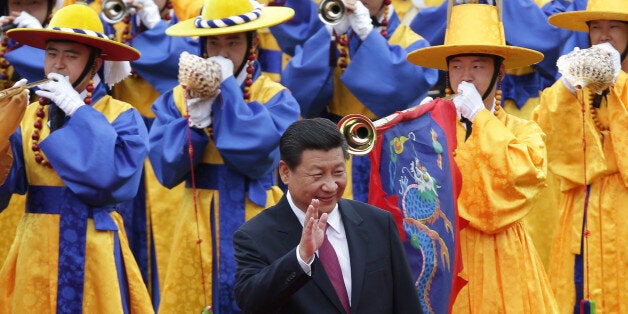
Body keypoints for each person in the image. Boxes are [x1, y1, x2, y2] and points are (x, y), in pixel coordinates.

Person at [147, 0, 300, 312]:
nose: (222, 52)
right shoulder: (178, 96)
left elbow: (259, 156)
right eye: (213, 42)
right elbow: (165, 169)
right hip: (195, 218)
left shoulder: (275, 95)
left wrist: (227, 89)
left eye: (233, 42)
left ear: (252, 44)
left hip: (256, 212)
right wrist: (192, 124)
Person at [0, 3, 153, 313]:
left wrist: (79, 112)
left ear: (94, 66)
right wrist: (2, 133)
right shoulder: (29, 116)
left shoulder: (123, 116)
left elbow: (112, 183)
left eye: (71, 56)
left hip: (93, 246)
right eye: (52, 53)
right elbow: (5, 190)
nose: (58, 65)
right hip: (35, 246)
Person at [407, 2, 558, 312]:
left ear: (499, 71)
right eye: (457, 66)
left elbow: (522, 175)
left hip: (505, 255)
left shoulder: (523, 129)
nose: (466, 77)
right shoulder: (431, 129)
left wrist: (479, 117)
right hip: (448, 257)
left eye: (478, 66)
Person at [233, 117, 421, 314]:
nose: (331, 186)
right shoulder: (255, 236)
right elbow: (251, 302)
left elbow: (406, 302)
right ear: (285, 172)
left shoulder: (378, 222)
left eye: (338, 172)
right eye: (317, 175)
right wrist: (300, 258)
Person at [532, 0, 628, 312]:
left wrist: (617, 80)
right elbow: (542, 133)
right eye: (596, 28)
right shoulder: (576, 84)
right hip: (580, 216)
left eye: (614, 26)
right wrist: (568, 84)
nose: (604, 36)